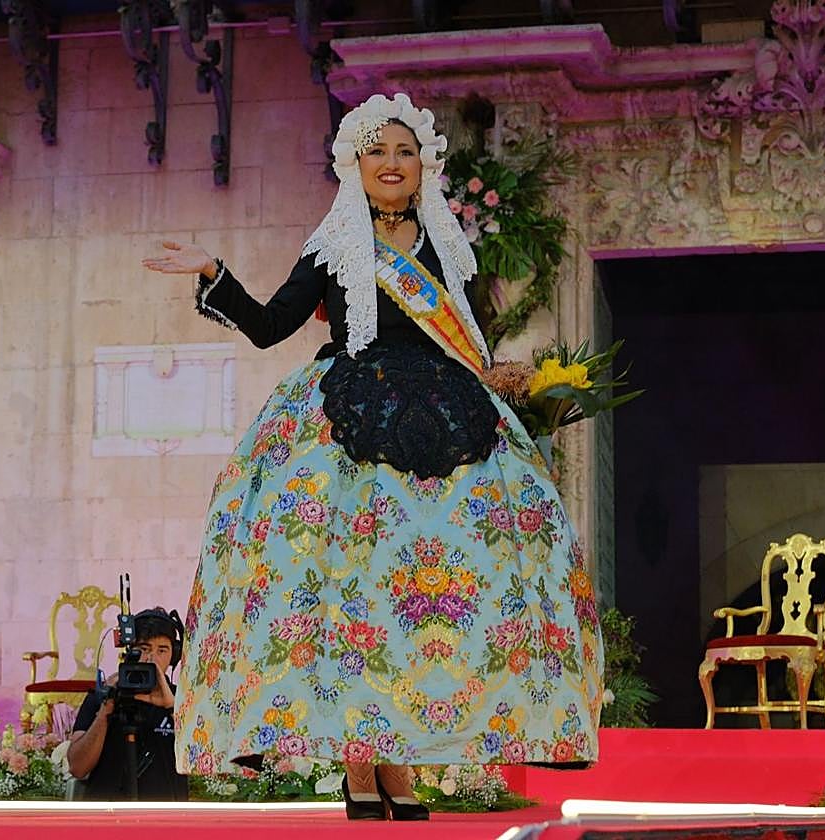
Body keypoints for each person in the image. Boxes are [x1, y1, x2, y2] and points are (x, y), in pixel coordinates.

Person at [143, 93, 605, 820]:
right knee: (348, 591)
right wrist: (213, 271)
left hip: (448, 425)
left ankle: (401, 760)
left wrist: (513, 391)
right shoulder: (333, 247)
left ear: (423, 166)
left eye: (404, 152)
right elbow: (269, 326)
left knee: (421, 602)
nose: (392, 164)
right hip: (350, 421)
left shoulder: (450, 250)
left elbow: (466, 343)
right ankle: (360, 761)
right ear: (353, 165)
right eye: (377, 152)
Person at [66, 608, 188, 801]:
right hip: (107, 816)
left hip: (165, 817)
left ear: (174, 655)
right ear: (129, 651)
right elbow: (78, 767)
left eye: (162, 650)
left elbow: (198, 760)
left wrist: (172, 708)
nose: (151, 658)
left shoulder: (183, 699)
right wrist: (107, 708)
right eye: (144, 648)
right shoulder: (102, 697)